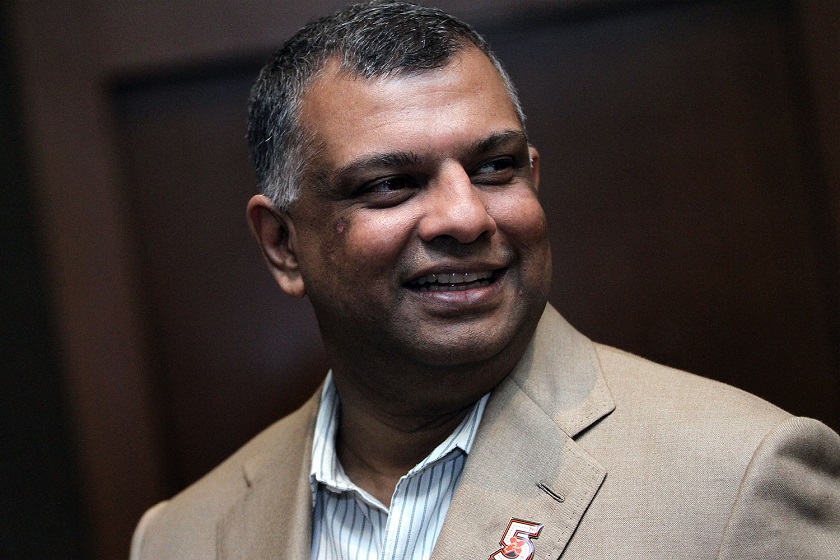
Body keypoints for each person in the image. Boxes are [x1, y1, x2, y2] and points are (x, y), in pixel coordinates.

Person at [130, 2, 840, 559]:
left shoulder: (739, 478)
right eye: (390, 184)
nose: (466, 217)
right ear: (283, 245)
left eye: (493, 168)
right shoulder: (181, 537)